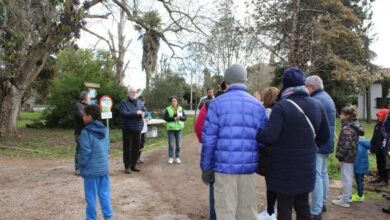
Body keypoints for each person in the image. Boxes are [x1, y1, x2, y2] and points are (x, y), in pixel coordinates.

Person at [258, 67, 330, 220]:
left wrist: (256, 132)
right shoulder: (318, 105)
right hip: (307, 165)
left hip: (284, 169)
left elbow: (270, 137)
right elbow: (324, 137)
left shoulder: (281, 106)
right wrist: (307, 144)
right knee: (303, 205)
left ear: (286, 85)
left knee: (285, 208)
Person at [201, 64, 268, 220]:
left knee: (225, 212)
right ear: (245, 80)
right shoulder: (258, 105)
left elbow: (209, 140)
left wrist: (206, 167)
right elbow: (263, 139)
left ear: (227, 81)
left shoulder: (217, 103)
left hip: (224, 168)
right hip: (248, 169)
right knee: (247, 212)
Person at [194, 81, 227, 220]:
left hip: (215, 154)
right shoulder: (245, 102)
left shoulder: (209, 105)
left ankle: (214, 217)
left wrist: (205, 139)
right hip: (236, 158)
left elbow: (198, 127)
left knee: (214, 185)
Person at [305, 75, 336, 219]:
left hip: (318, 143)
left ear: (311, 87)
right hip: (327, 142)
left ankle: (315, 211)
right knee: (323, 174)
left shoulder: (316, 100)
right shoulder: (327, 97)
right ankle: (322, 203)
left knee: (316, 176)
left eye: (307, 87)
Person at [78, 105, 113, 220]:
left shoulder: (85, 132)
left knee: (91, 198)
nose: (83, 117)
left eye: (85, 115)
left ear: (90, 117)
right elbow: (107, 148)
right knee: (104, 195)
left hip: (90, 171)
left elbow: (85, 153)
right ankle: (109, 217)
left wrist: (80, 167)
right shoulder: (105, 129)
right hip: (103, 169)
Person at [332, 106, 364, 208]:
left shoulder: (348, 128)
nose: (340, 115)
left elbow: (345, 145)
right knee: (347, 176)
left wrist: (340, 157)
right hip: (350, 155)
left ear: (346, 115)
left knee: (346, 177)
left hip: (346, 157)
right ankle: (347, 196)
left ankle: (345, 200)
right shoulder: (353, 125)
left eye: (341, 114)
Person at [257, 87, 279, 220]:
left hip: (270, 151)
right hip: (281, 150)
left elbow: (264, 132)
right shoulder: (282, 109)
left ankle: (270, 212)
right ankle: (273, 209)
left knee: (270, 183)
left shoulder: (268, 112)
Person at [120, 87, 145, 174]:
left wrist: (144, 114)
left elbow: (145, 111)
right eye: (132, 92)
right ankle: (127, 167)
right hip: (127, 129)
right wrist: (136, 113)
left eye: (135, 92)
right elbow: (123, 114)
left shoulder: (140, 102)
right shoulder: (124, 102)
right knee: (127, 148)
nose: (134, 93)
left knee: (136, 148)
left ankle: (133, 166)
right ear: (128, 93)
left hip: (138, 128)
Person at [164, 96, 187, 164]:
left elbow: (185, 118)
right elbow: (165, 118)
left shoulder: (180, 108)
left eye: (175, 101)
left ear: (177, 102)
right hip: (171, 129)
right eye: (173, 101)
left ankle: (177, 157)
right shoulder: (168, 109)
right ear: (171, 102)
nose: (174, 102)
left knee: (178, 144)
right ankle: (171, 157)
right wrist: (173, 118)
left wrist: (180, 117)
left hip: (179, 128)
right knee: (171, 144)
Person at [74, 91, 90, 176]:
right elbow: (83, 117)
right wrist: (91, 117)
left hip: (88, 132)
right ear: (85, 98)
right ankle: (78, 168)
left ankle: (85, 167)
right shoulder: (78, 106)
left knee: (87, 151)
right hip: (80, 133)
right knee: (80, 150)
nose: (90, 98)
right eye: (89, 96)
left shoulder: (88, 106)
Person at [371, 109, 389, 185]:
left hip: (383, 149)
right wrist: (372, 146)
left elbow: (386, 138)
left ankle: (385, 180)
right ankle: (380, 177)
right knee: (379, 163)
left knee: (384, 164)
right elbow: (374, 136)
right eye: (378, 116)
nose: (378, 117)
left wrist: (383, 147)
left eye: (380, 116)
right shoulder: (377, 125)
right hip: (377, 148)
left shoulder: (385, 126)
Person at [352, 136, 371, 202]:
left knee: (359, 181)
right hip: (363, 166)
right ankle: (360, 194)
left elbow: (357, 157)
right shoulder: (363, 143)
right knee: (361, 181)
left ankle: (360, 196)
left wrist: (354, 166)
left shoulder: (358, 145)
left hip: (359, 167)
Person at [138, 96, 151, 164]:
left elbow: (150, 116)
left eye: (143, 103)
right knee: (137, 143)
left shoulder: (145, 109)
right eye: (141, 102)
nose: (142, 104)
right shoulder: (136, 109)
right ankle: (135, 158)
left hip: (144, 129)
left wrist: (147, 119)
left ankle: (138, 158)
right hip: (138, 129)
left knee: (142, 143)